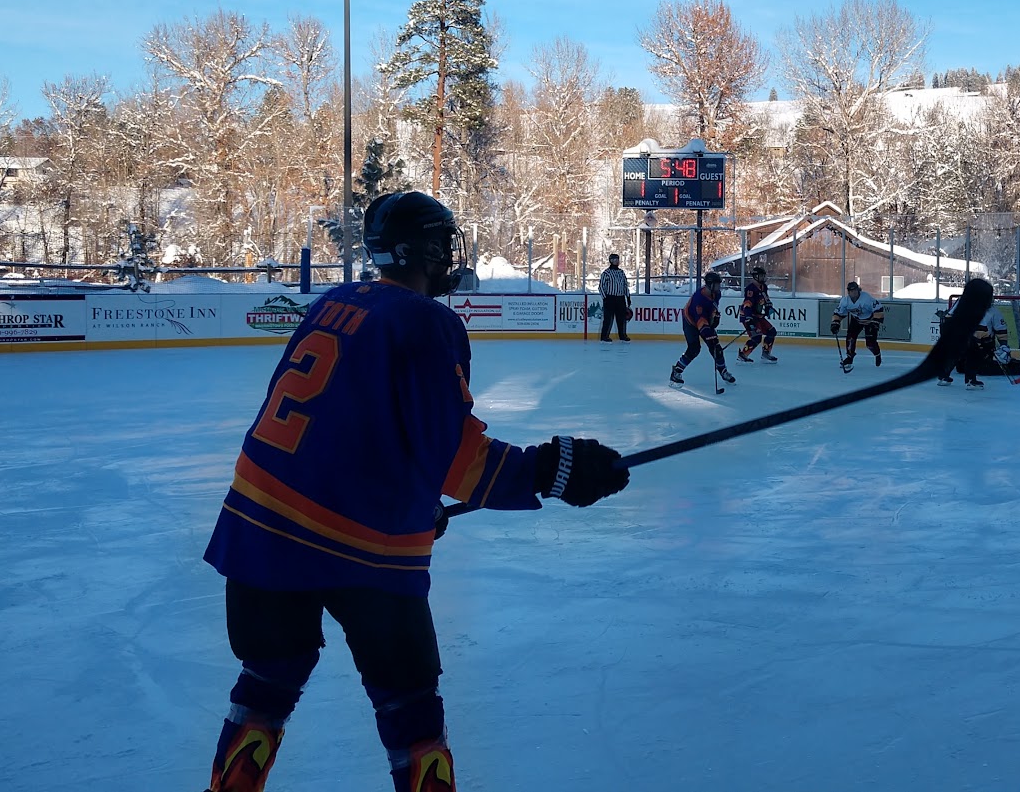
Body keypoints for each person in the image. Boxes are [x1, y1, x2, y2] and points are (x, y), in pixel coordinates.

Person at [200, 191, 630, 792]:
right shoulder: (427, 322)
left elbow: (335, 425)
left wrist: (416, 501)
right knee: (409, 705)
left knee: (267, 681)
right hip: (359, 548)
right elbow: (453, 455)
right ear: (420, 250)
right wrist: (551, 470)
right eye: (441, 243)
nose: (449, 255)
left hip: (256, 529)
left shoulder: (334, 301)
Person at [670, 271, 735, 387]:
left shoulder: (716, 293)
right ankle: (676, 371)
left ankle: (723, 371)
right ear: (710, 284)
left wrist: (714, 318)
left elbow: (711, 309)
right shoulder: (699, 300)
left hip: (703, 320)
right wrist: (708, 334)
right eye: (716, 284)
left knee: (716, 348)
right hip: (690, 322)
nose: (719, 287)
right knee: (694, 349)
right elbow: (701, 320)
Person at [937, 295, 1008, 389]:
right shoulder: (992, 312)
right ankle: (971, 381)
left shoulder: (965, 304)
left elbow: (948, 319)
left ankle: (943, 377)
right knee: (973, 355)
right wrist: (1003, 345)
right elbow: (1000, 330)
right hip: (971, 339)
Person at [830, 280, 885, 371]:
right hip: (856, 320)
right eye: (851, 291)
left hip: (870, 320)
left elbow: (879, 308)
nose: (854, 292)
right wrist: (835, 323)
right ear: (848, 292)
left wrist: (875, 322)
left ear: (858, 290)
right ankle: (849, 358)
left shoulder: (866, 298)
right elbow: (838, 313)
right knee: (850, 338)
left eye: (855, 290)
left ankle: (877, 354)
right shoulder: (845, 301)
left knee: (870, 343)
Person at [736, 265, 779, 364]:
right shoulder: (750, 289)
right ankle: (743, 355)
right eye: (761, 276)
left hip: (758, 316)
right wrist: (748, 318)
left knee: (771, 332)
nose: (763, 278)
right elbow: (747, 304)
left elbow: (766, 299)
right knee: (756, 337)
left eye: (763, 276)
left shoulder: (763, 287)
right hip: (749, 316)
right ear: (755, 277)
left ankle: (766, 353)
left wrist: (768, 307)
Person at [598, 252, 632, 342]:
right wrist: (605, 298)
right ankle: (604, 336)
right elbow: (601, 287)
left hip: (620, 298)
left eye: (617, 259)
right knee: (608, 319)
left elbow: (625, 285)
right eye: (614, 260)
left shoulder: (621, 272)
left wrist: (628, 297)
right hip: (610, 298)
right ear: (611, 261)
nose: (617, 261)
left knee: (621, 319)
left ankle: (622, 335)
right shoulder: (606, 273)